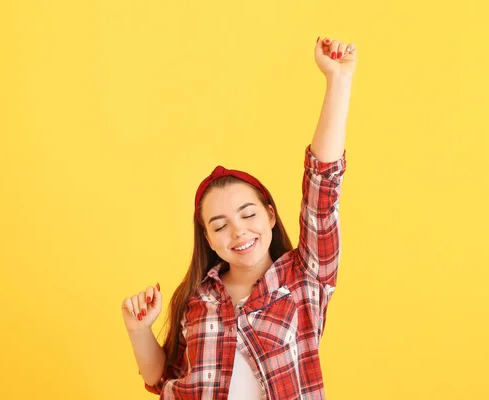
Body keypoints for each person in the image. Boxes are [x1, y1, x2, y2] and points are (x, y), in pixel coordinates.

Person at [121, 36, 357, 399]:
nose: (238, 231)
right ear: (208, 238)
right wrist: (139, 330)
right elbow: (162, 378)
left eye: (247, 214)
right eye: (219, 225)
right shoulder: (197, 298)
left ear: (270, 215)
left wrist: (338, 81)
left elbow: (322, 186)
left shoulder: (305, 278)